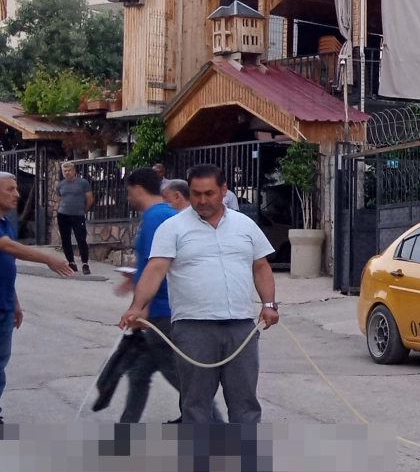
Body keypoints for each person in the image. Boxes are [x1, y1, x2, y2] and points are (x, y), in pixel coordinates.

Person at [118, 164, 279, 430]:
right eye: (196, 194)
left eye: (209, 193)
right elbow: (155, 269)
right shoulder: (173, 227)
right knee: (196, 405)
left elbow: (261, 266)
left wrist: (269, 304)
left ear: (224, 190)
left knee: (245, 403)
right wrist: (137, 306)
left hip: (240, 327)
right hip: (193, 329)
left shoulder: (245, 225)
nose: (202, 200)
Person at [94, 168, 185, 424]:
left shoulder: (156, 217)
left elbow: (158, 266)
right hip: (157, 308)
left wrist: (141, 305)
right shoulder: (163, 214)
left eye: (128, 192)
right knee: (139, 373)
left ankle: (216, 427)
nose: (128, 198)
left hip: (161, 311)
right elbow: (152, 262)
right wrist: (133, 279)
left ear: (137, 188)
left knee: (182, 380)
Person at [0, 171, 77, 424]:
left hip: (4, 305)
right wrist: (48, 259)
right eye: (10, 189)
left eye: (16, 188)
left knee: (1, 363)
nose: (17, 194)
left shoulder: (6, 222)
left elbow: (5, 265)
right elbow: (6, 246)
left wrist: (15, 303)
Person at [56, 161, 94, 275]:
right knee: (65, 239)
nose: (67, 173)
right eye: (65, 171)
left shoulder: (83, 183)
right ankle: (71, 262)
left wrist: (84, 209)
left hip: (78, 215)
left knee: (81, 239)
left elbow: (89, 198)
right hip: (63, 214)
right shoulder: (61, 185)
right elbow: (58, 199)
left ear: (74, 170)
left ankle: (85, 263)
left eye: (69, 170)